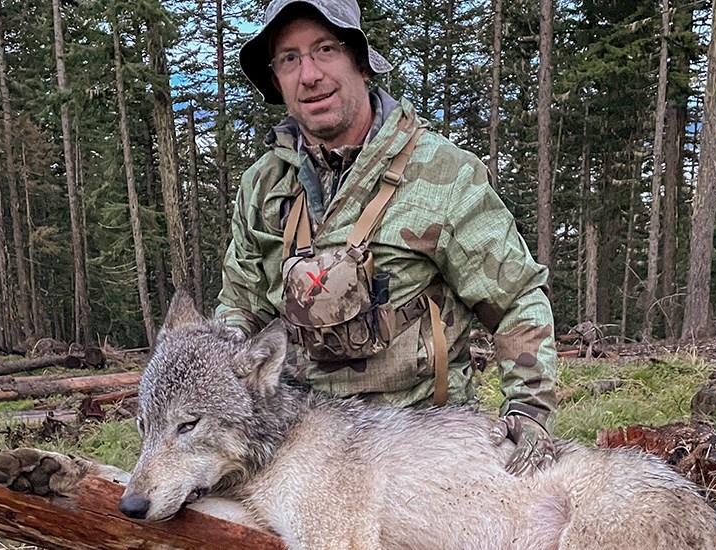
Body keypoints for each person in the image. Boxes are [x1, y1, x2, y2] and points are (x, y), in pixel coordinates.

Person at [218, 0, 559, 475]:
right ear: (276, 78)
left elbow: (518, 299)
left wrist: (529, 412)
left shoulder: (443, 175)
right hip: (299, 445)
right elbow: (240, 305)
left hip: (423, 444)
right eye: (289, 58)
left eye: (325, 49)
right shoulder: (263, 185)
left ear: (359, 60)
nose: (309, 74)